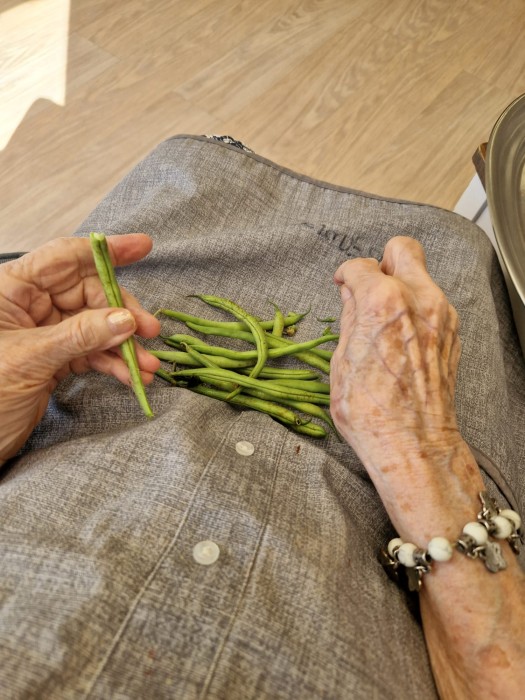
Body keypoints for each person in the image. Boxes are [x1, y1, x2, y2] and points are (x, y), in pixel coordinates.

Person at [0, 135, 524, 699]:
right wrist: (421, 444)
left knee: (186, 162)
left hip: (81, 414)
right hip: (398, 493)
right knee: (460, 248)